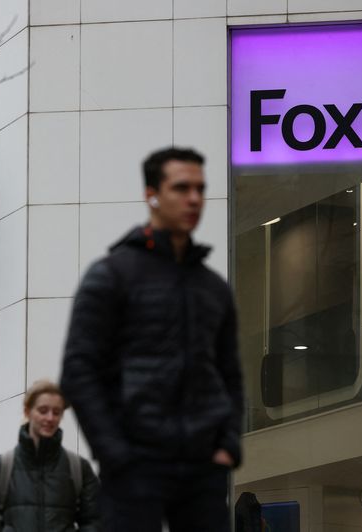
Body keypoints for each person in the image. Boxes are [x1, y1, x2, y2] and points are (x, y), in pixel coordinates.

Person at [61, 146, 244, 531]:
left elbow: (230, 374)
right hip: (134, 464)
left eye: (200, 188)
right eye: (181, 187)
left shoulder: (213, 288)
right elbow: (79, 371)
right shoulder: (111, 275)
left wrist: (227, 445)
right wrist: (115, 453)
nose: (194, 199)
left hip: (202, 468)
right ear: (152, 194)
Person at [0, 380, 100, 532]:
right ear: (27, 411)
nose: (50, 418)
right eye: (43, 410)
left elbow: (97, 521)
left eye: (56, 412)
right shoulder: (1, 467)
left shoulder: (79, 469)